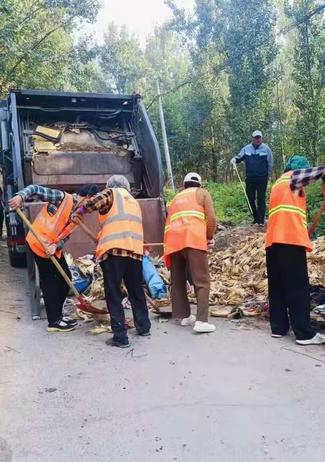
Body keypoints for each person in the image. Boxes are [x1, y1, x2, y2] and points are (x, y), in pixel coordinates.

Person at [72, 175, 151, 348]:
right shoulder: (133, 202)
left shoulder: (112, 193)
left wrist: (79, 211)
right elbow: (118, 226)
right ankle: (144, 327)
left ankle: (120, 337)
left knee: (114, 293)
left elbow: (91, 203)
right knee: (136, 290)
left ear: (111, 185)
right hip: (135, 252)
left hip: (114, 252)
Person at [8, 183, 99, 332]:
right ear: (88, 197)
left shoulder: (78, 214)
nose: (91, 209)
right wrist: (20, 196)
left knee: (66, 279)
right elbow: (35, 188)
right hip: (38, 243)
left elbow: (65, 235)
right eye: (93, 203)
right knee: (50, 281)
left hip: (51, 248)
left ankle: (58, 315)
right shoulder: (62, 198)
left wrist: (55, 246)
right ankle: (54, 321)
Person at [265, 155, 325, 345]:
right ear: (299, 170)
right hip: (290, 241)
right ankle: (304, 334)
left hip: (273, 242)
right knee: (298, 287)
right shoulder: (293, 178)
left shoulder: (278, 183)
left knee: (277, 286)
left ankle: (278, 328)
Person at [164, 172, 217, 333]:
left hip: (174, 242)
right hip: (193, 239)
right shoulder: (202, 193)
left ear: (184, 185)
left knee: (178, 281)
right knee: (202, 281)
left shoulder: (175, 199)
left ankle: (185, 316)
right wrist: (209, 236)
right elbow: (212, 218)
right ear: (199, 184)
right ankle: (201, 321)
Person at [230, 130, 273, 225]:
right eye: (256, 137)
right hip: (250, 178)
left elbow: (270, 163)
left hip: (262, 177)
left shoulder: (266, 149)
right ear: (252, 138)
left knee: (261, 198)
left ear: (261, 138)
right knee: (250, 198)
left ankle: (261, 220)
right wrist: (234, 159)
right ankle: (255, 218)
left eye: (259, 137)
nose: (257, 139)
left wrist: (268, 175)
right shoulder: (246, 149)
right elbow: (239, 157)